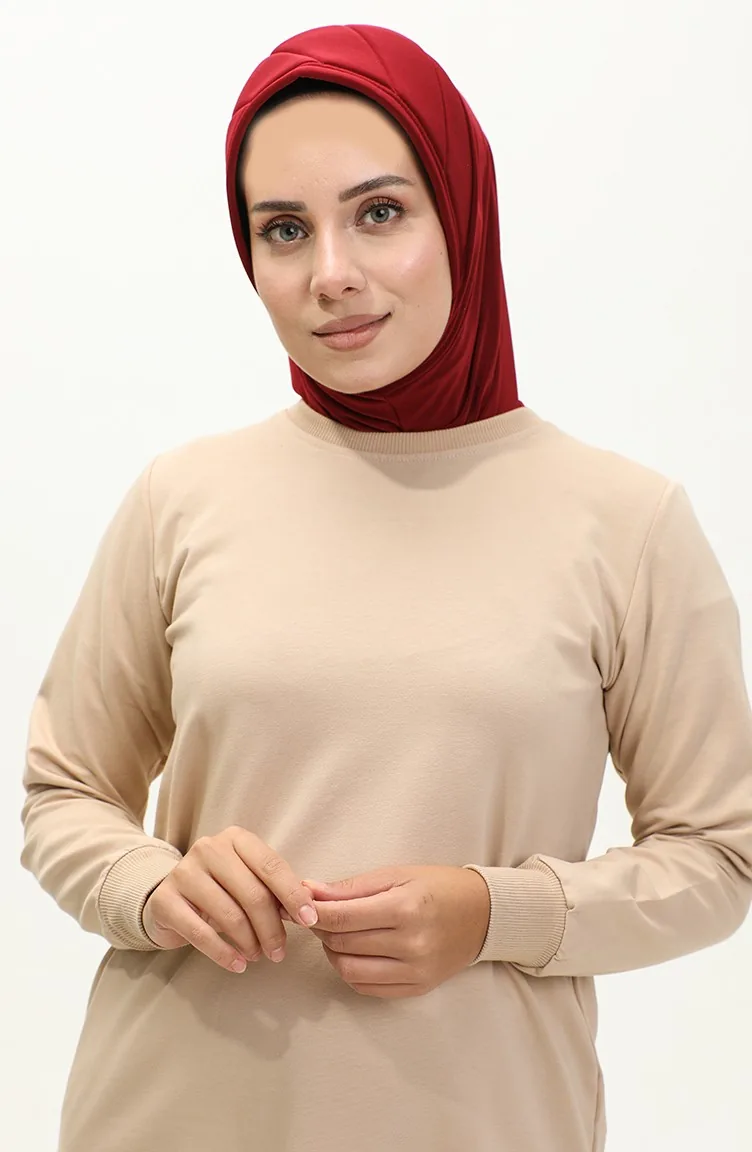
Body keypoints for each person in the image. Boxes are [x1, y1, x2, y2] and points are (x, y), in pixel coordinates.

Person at [19, 22, 752, 1152]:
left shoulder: (626, 524)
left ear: (460, 211)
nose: (331, 275)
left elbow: (720, 856)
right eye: (283, 229)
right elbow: (64, 792)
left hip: (485, 1122)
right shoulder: (182, 497)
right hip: (169, 1114)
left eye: (378, 212)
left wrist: (494, 911)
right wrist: (151, 885)